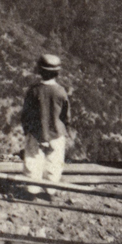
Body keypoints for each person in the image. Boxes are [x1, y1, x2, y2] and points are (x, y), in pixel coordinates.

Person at [20, 53, 70, 192]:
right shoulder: (61, 91)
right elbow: (66, 115)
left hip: (36, 133)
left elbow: (26, 113)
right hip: (56, 133)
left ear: (39, 71)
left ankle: (32, 190)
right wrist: (66, 129)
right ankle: (51, 190)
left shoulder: (33, 91)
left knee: (32, 161)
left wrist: (27, 130)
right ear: (58, 73)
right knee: (54, 163)